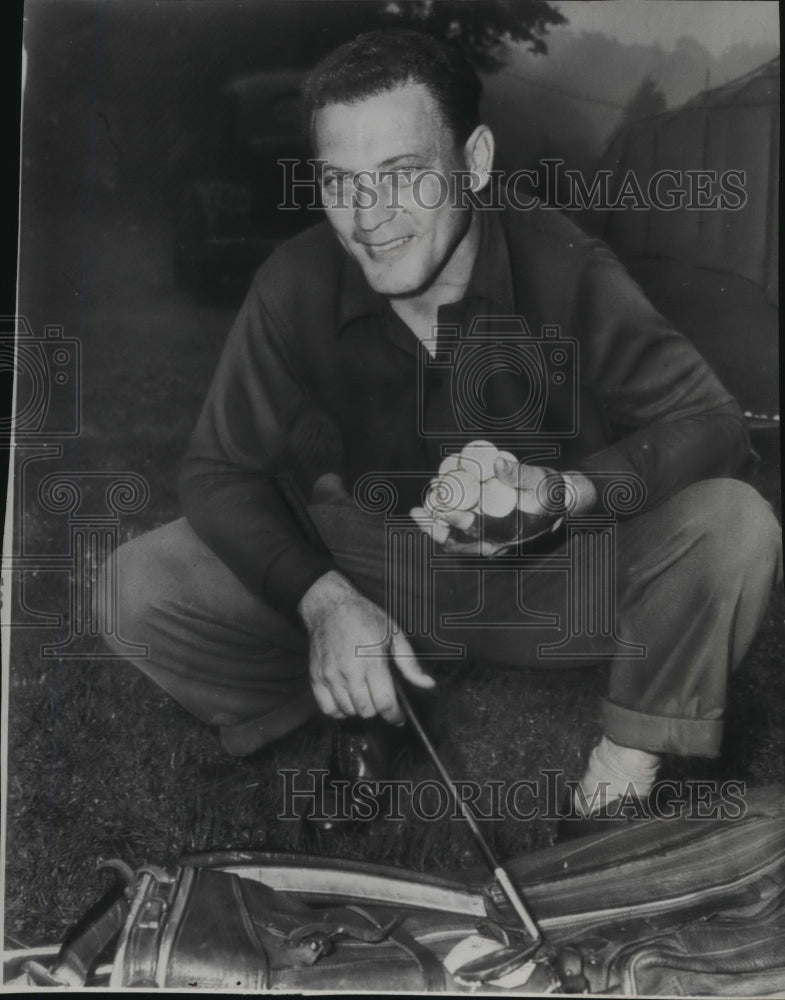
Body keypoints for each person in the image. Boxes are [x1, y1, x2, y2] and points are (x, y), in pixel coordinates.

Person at [103, 29, 781, 837]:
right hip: (383, 571)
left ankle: (619, 782)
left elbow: (709, 422)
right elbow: (219, 467)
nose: (369, 219)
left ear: (476, 160)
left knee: (735, 524)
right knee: (138, 584)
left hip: (553, 578)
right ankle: (361, 707)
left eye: (403, 176)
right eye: (340, 182)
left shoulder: (566, 264)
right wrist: (325, 604)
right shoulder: (296, 279)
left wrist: (562, 491)